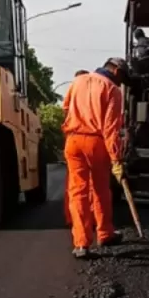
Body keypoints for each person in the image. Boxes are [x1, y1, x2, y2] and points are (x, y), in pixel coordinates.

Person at [62, 58, 127, 258]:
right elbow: (110, 128)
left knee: (77, 192)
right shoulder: (113, 90)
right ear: (116, 71)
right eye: (122, 76)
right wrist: (116, 158)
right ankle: (105, 233)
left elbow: (65, 108)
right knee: (100, 190)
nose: (121, 81)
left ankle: (81, 244)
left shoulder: (78, 81)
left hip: (73, 141)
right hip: (95, 143)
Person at [63, 70, 91, 226]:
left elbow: (65, 109)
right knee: (93, 185)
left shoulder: (73, 88)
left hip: (73, 138)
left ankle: (72, 219)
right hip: (95, 139)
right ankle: (93, 221)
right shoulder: (94, 91)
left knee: (75, 185)